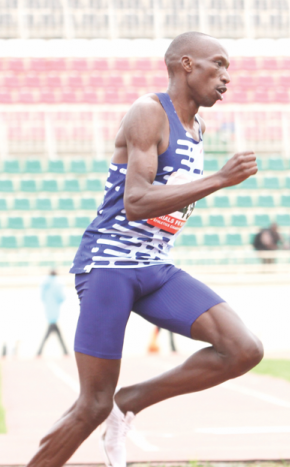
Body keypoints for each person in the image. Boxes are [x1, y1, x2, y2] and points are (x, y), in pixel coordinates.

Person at [27, 32, 264, 467]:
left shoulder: (198, 126)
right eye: (220, 64)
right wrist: (220, 179)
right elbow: (135, 202)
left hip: (155, 266)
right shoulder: (148, 112)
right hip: (109, 266)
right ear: (186, 64)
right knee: (91, 404)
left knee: (243, 348)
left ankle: (130, 401)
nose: (227, 77)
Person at [37, 270, 69, 357]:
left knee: (53, 334)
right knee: (54, 334)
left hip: (49, 312)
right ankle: (65, 352)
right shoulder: (57, 283)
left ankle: (65, 352)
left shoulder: (45, 284)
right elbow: (62, 297)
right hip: (54, 314)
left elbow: (42, 297)